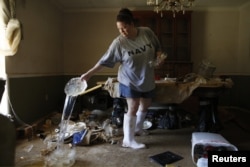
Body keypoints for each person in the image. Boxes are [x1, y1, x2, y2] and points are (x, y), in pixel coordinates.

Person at [80, 8, 164, 149]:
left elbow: (158, 48)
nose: (122, 32)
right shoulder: (118, 43)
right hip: (128, 79)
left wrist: (160, 59)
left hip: (147, 77)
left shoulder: (146, 32)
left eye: (124, 28)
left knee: (146, 105)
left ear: (132, 24)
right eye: (119, 29)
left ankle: (137, 129)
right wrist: (89, 74)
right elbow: (104, 61)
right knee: (133, 106)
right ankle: (128, 140)